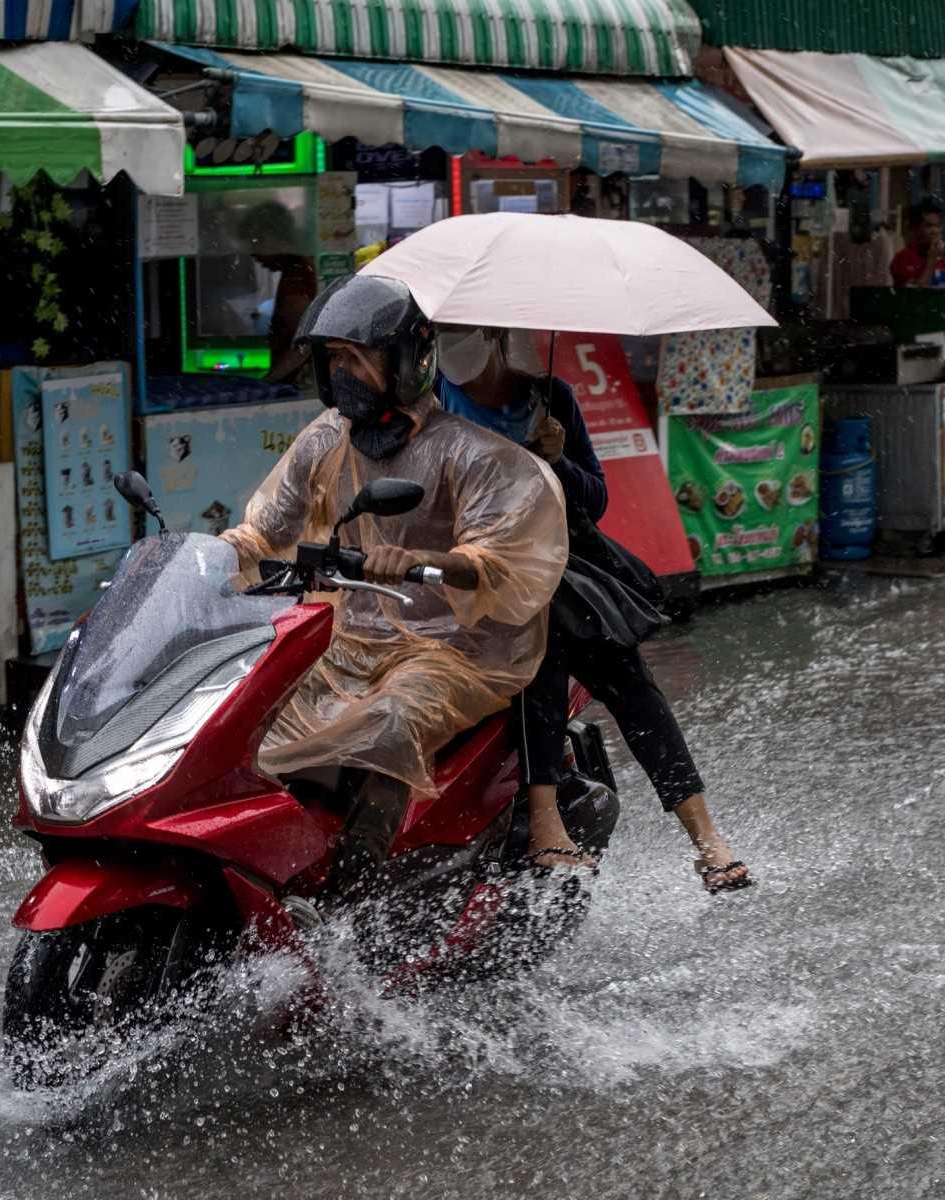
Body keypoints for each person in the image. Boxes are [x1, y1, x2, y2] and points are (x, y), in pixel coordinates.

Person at [219, 277, 569, 891]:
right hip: (345, 636)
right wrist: (208, 557)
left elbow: (500, 554)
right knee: (246, 712)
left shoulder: (472, 454)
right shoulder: (325, 437)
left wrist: (420, 558)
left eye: (356, 356)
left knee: (390, 723)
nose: (341, 371)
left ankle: (358, 893)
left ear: (407, 361)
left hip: (450, 649)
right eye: (332, 359)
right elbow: (265, 528)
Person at [435, 325, 753, 893]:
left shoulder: (550, 398)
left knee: (631, 681)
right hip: (474, 576)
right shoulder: (433, 401)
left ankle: (707, 840)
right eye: (442, 332)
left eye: (461, 332)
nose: (451, 343)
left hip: (565, 564)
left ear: (492, 335)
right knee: (540, 635)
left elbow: (596, 499)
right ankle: (544, 820)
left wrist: (557, 460)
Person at [237, 202, 320, 386]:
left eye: (255, 241)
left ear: (271, 236)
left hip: (299, 386)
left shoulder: (296, 276)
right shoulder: (300, 267)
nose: (253, 253)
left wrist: (271, 382)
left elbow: (305, 343)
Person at [890, 198, 945, 288]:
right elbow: (915, 296)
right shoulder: (902, 258)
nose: (935, 231)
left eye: (938, 225)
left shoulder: (940, 258)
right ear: (915, 228)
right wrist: (931, 262)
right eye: (929, 226)